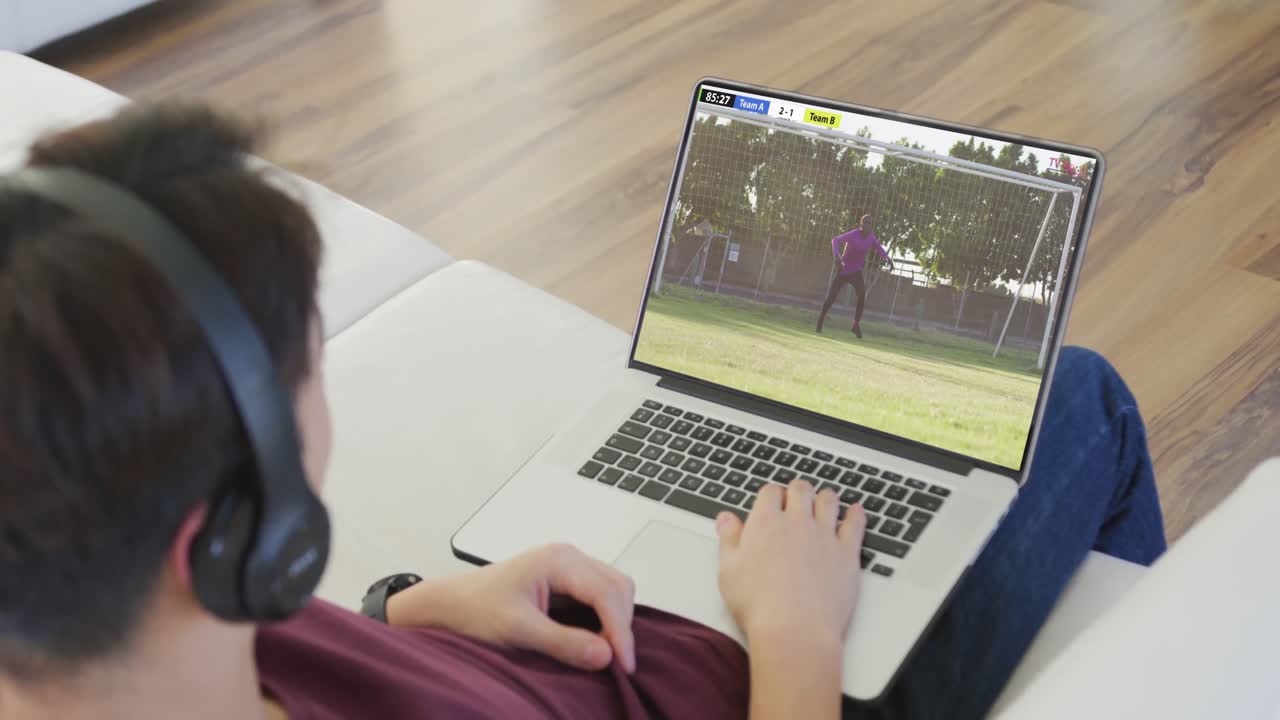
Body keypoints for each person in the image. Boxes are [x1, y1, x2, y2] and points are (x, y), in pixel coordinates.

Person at [0, 105, 1166, 720]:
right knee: (1085, 401)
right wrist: (799, 637)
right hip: (787, 675)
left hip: (606, 632)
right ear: (234, 539)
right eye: (306, 372)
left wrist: (410, 612)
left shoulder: (114, 621)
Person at [818, 214, 894, 338]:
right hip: (843, 269)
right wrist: (837, 256)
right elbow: (835, 240)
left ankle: (855, 325)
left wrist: (887, 259)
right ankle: (820, 320)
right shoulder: (853, 234)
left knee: (862, 295)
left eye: (870, 223)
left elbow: (879, 248)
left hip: (856, 272)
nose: (869, 225)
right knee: (832, 296)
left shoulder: (871, 237)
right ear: (861, 224)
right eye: (866, 223)